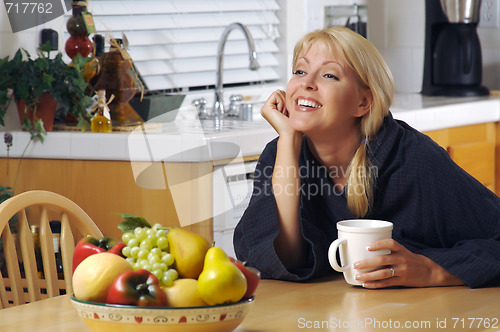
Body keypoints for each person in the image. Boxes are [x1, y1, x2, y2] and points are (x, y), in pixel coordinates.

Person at [233, 26, 500, 289]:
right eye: (300, 71)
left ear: (363, 103)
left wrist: (433, 271)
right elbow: (283, 259)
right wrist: (288, 139)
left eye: (329, 75)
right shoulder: (281, 154)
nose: (306, 83)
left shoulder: (416, 159)